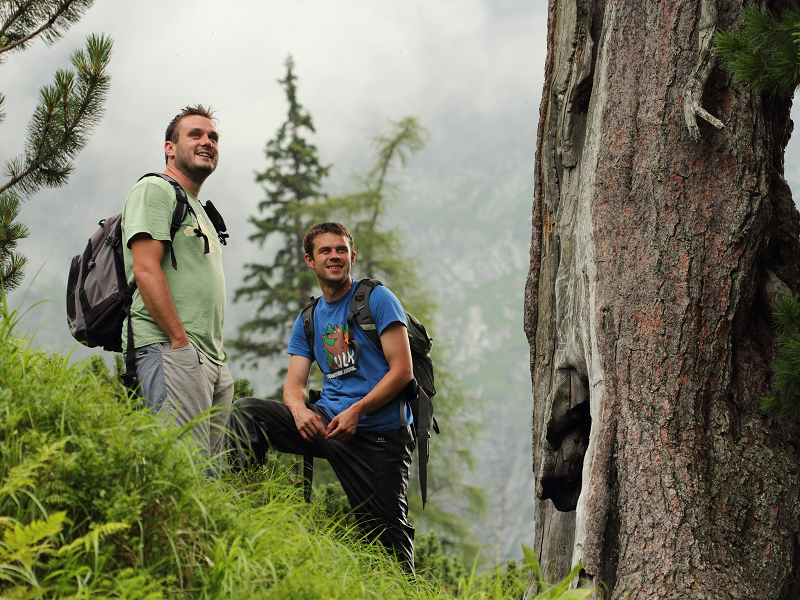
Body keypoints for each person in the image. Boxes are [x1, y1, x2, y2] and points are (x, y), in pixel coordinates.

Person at [229, 222, 417, 569]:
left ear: (352, 256)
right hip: (327, 425)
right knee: (246, 413)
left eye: (341, 249)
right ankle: (235, 507)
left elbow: (402, 371)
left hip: (379, 434)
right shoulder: (309, 318)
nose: (334, 256)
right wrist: (299, 410)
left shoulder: (377, 299)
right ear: (309, 261)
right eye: (325, 251)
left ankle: (406, 589)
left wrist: (357, 411)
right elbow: (293, 384)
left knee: (386, 539)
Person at [121, 105, 233, 475]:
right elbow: (146, 269)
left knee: (207, 481)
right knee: (179, 472)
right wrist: (180, 342)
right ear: (170, 147)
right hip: (170, 348)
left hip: (211, 359)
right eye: (195, 135)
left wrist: (213, 357)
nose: (207, 142)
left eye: (213, 137)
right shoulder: (155, 189)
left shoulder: (198, 207)